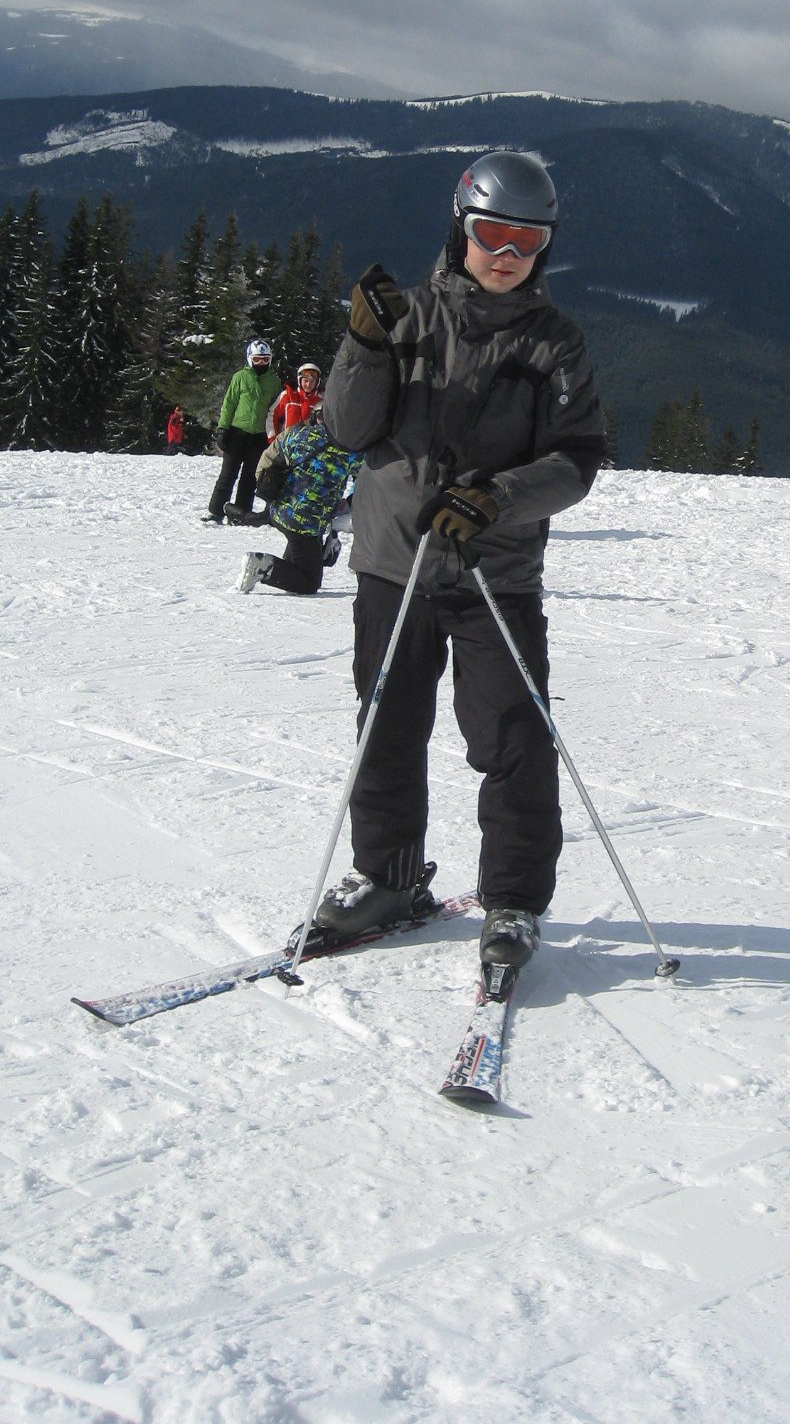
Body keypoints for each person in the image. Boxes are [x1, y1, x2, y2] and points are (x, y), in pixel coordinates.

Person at [312, 151, 604, 975]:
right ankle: (388, 878)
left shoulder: (555, 344)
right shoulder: (401, 320)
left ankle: (513, 900)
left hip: (492, 569)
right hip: (394, 562)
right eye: (492, 233)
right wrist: (364, 345)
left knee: (513, 735)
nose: (507, 253)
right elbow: (346, 430)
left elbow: (575, 461)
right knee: (387, 726)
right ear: (460, 228)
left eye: (528, 240)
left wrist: (495, 498)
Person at [238, 408, 360, 595]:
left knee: (301, 560)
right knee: (309, 582)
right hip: (305, 522)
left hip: (281, 508)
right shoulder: (350, 451)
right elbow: (369, 478)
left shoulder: (301, 434)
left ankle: (279, 569)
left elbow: (273, 456)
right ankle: (260, 566)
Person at [206, 340, 284, 524]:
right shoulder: (240, 377)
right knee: (227, 475)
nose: (261, 363)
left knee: (249, 478)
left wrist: (275, 435)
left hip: (259, 437)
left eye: (265, 360)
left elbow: (277, 410)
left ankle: (240, 514)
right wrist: (222, 429)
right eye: (257, 359)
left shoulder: (274, 381)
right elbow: (229, 404)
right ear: (250, 359)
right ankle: (216, 511)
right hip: (237, 433)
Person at [267, 362, 324, 438]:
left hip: (310, 443)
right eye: (305, 381)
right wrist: (273, 438)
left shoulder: (321, 400)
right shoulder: (288, 395)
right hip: (287, 442)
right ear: (299, 380)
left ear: (317, 382)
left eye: (312, 381)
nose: (308, 384)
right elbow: (272, 415)